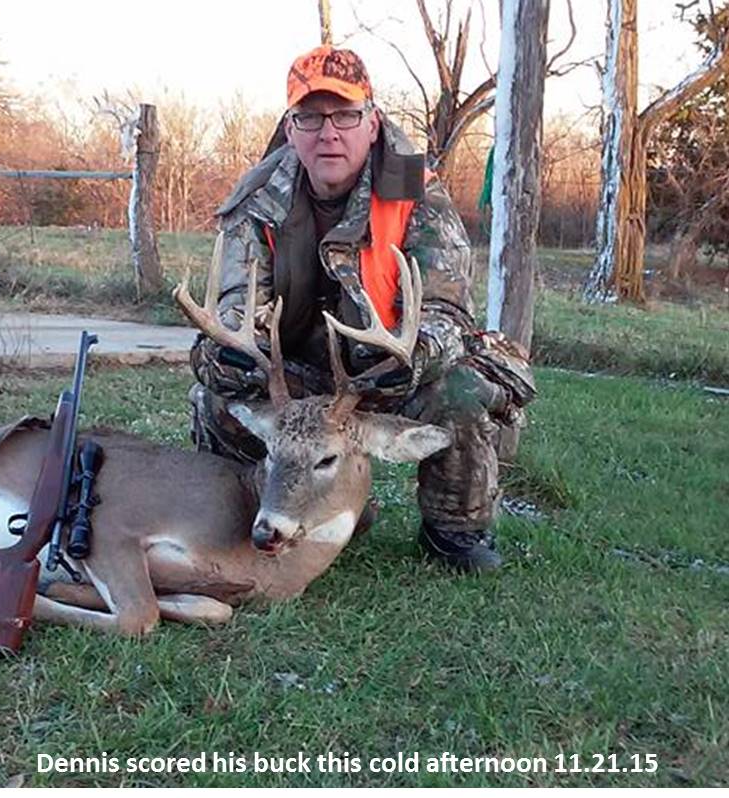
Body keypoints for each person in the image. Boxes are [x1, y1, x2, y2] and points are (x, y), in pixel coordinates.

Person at [189, 45, 535, 574]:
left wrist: (415, 356)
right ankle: (258, 508)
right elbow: (235, 308)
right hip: (295, 379)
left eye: (345, 115)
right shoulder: (256, 202)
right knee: (216, 396)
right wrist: (234, 353)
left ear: (372, 123)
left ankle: (454, 532)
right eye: (310, 117)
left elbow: (446, 311)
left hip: (386, 371)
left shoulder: (419, 195)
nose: (328, 133)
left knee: (459, 390)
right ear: (290, 129)